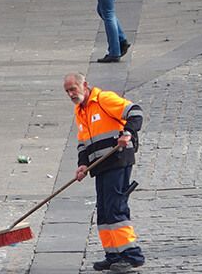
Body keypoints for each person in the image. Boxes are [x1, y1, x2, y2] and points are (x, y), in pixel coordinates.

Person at [63, 73, 145, 271]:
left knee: (116, 208)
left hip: (117, 160)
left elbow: (135, 112)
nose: (71, 94)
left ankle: (132, 256)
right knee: (104, 211)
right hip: (100, 166)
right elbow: (83, 143)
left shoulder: (103, 99)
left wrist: (127, 133)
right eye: (67, 91)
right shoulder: (80, 111)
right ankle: (113, 254)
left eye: (73, 88)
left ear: (85, 85)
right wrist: (82, 164)